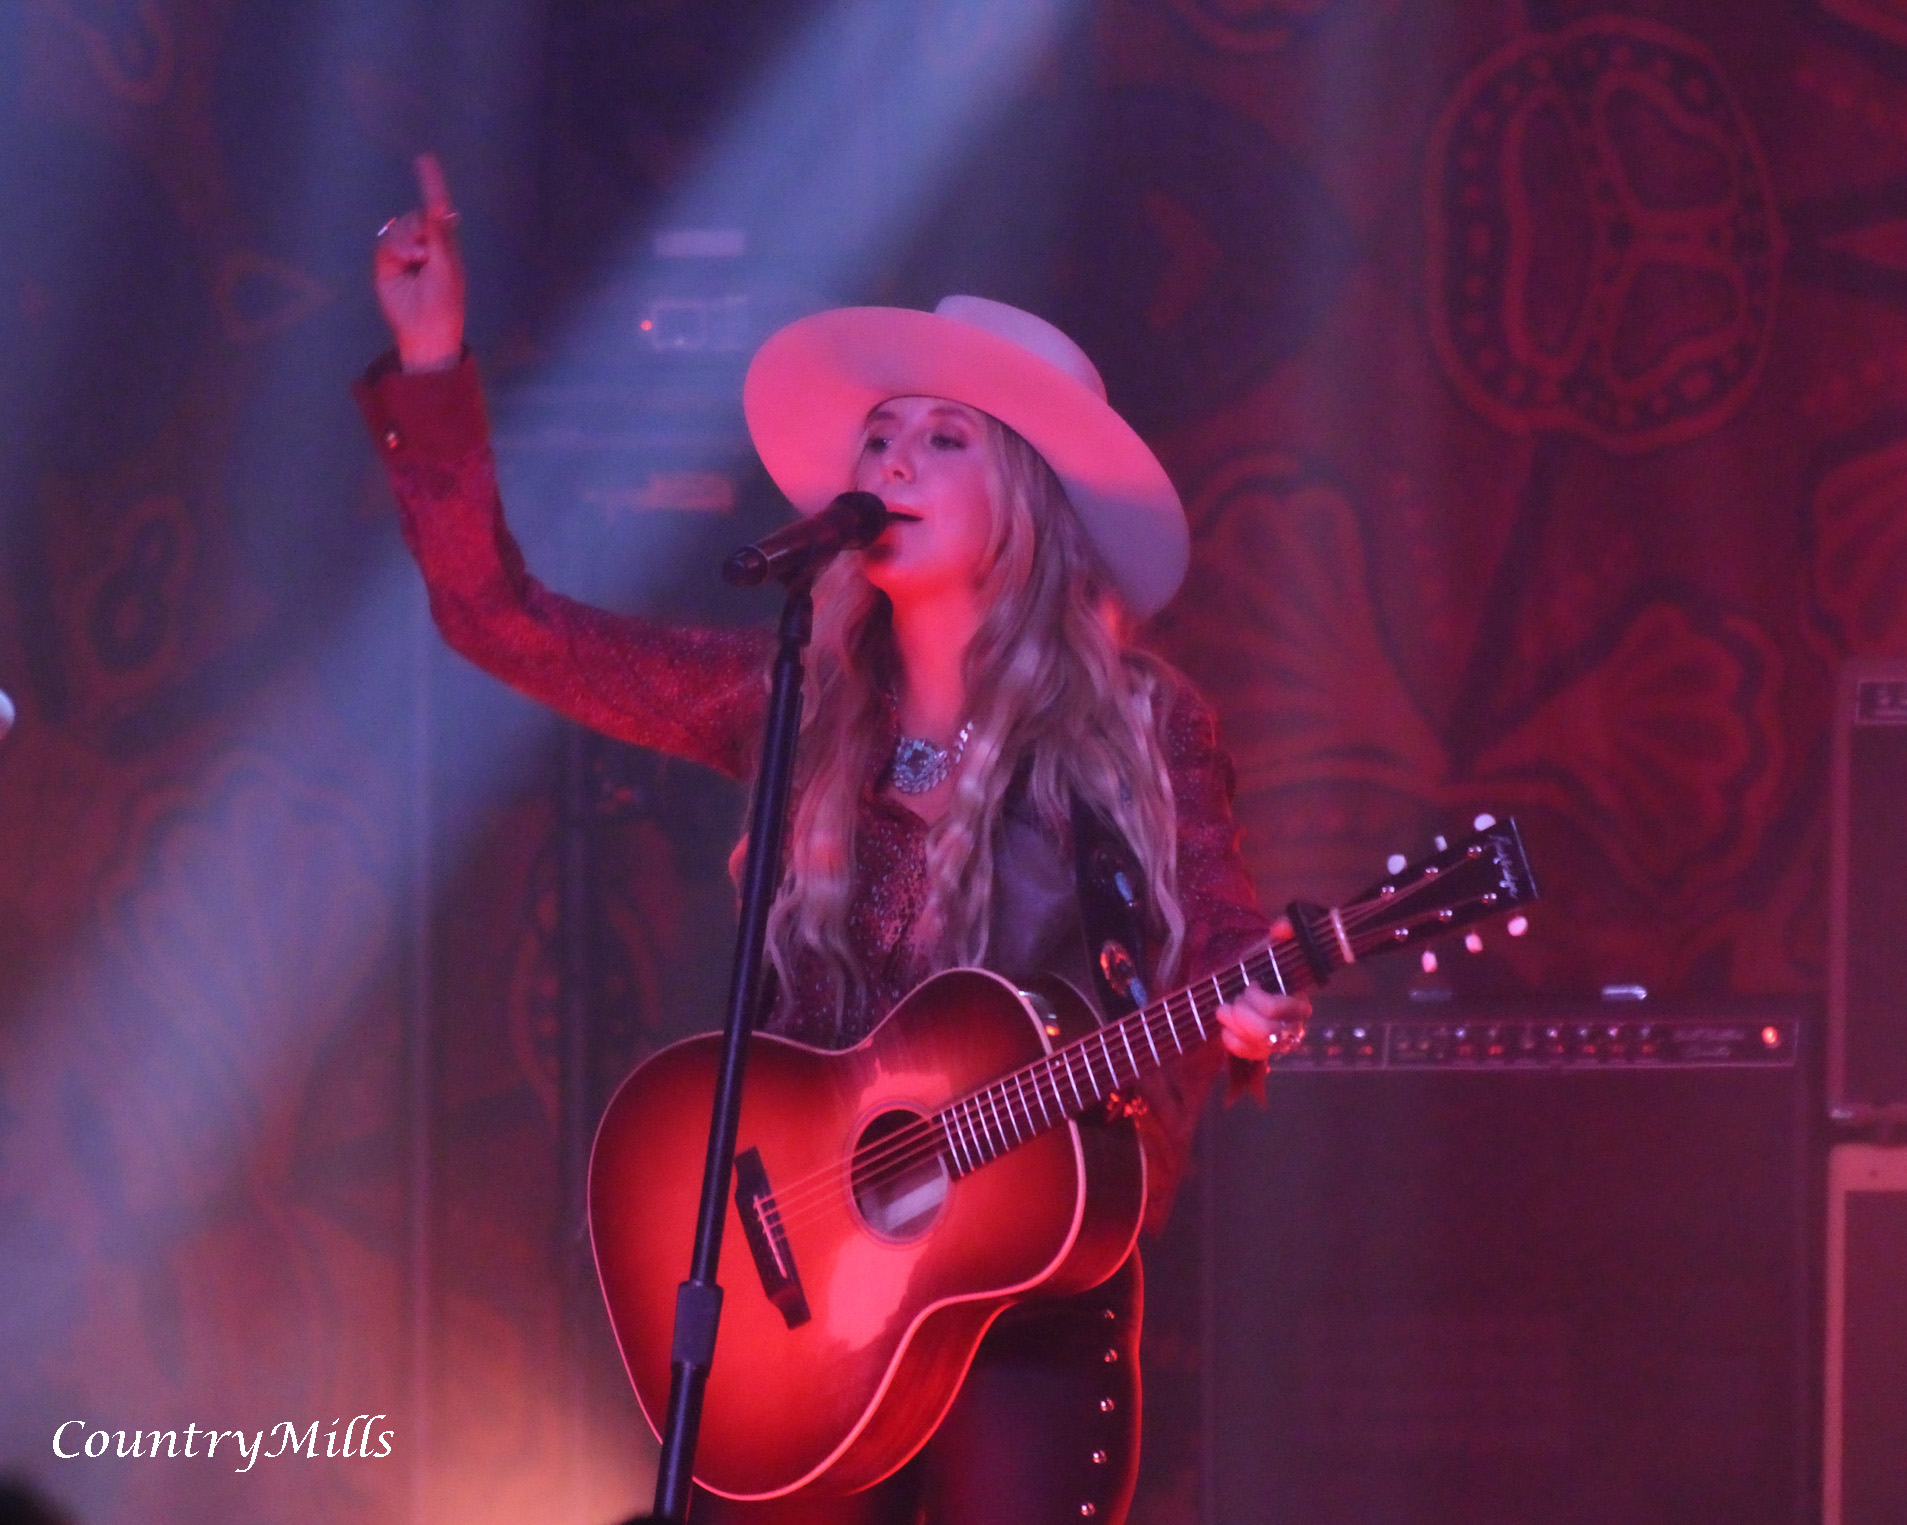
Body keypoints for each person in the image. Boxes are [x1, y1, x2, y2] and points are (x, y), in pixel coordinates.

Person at [361, 156, 1310, 1525]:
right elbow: (504, 624)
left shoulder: (1141, 723)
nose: (893, 462)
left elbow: (1218, 933)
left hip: (1026, 1272)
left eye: (944, 438)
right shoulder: (791, 698)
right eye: (880, 436)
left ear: (1029, 498)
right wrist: (433, 363)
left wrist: (1254, 997)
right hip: (800, 1290)